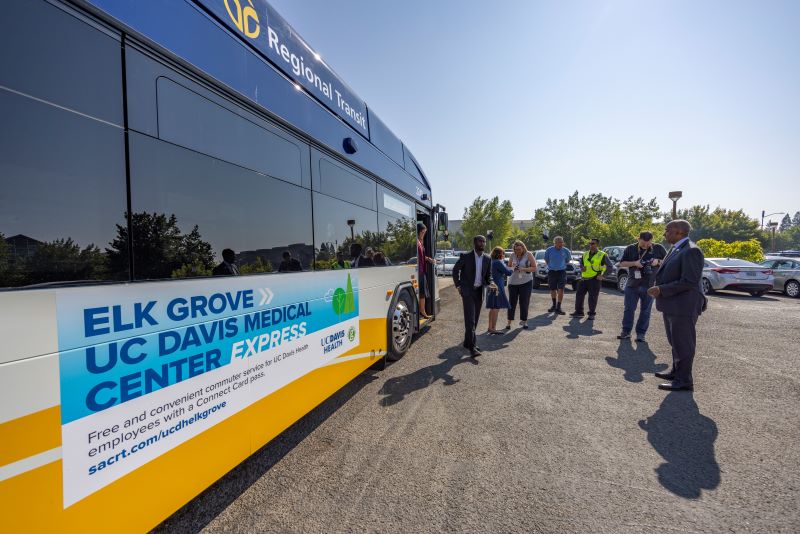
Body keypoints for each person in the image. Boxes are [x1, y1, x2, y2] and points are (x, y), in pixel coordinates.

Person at [648, 220, 707, 391]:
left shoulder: (691, 250)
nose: (664, 234)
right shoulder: (676, 248)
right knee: (675, 341)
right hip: (673, 304)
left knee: (683, 343)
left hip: (684, 305)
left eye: (667, 230)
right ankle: (676, 371)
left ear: (679, 232)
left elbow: (689, 281)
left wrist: (661, 289)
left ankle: (684, 380)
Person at [616, 231, 667, 342]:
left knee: (645, 311)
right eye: (643, 244)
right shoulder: (630, 248)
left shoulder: (658, 248)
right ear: (638, 239)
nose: (645, 246)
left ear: (652, 241)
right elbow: (621, 263)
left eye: (648, 244)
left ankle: (641, 334)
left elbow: (668, 262)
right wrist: (635, 263)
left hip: (650, 286)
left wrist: (658, 261)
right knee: (629, 309)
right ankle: (626, 332)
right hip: (632, 285)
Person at [452, 235, 491, 357]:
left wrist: (490, 283)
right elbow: (455, 270)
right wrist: (458, 286)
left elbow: (487, 275)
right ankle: (473, 347)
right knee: (470, 320)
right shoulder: (466, 256)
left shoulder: (487, 258)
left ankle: (467, 341)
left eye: (484, 241)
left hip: (479, 292)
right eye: (480, 241)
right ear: (474, 243)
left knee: (475, 319)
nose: (483, 243)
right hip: (468, 291)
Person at [570, 238, 612, 319]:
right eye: (590, 243)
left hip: (595, 279)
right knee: (579, 295)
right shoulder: (585, 254)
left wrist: (603, 276)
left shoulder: (602, 255)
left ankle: (591, 314)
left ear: (597, 245)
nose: (591, 245)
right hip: (584, 278)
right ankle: (579, 312)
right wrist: (582, 267)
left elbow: (610, 267)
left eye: (593, 243)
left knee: (592, 297)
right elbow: (581, 262)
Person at [506, 240, 536, 329]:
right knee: (512, 302)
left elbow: (534, 268)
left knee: (524, 302)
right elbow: (508, 267)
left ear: (523, 247)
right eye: (515, 249)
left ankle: (524, 321)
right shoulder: (512, 255)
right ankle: (509, 322)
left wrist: (523, 269)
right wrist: (513, 268)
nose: (517, 251)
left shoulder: (529, 254)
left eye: (519, 249)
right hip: (513, 282)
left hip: (526, 282)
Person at [486, 246, 514, 334]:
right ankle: (493, 328)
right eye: (503, 253)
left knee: (493, 307)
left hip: (492, 285)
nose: (503, 255)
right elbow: (508, 273)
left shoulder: (491, 261)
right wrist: (513, 268)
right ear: (500, 254)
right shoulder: (498, 262)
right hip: (498, 286)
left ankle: (490, 327)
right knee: (496, 308)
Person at [544, 236, 571, 315]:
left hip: (562, 272)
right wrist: (552, 266)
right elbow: (546, 259)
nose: (561, 244)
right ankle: (554, 305)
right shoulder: (549, 250)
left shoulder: (566, 251)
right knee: (553, 289)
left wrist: (561, 265)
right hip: (552, 271)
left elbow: (568, 260)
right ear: (555, 243)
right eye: (559, 242)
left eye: (562, 242)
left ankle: (559, 307)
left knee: (561, 289)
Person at [417, 222, 436, 319]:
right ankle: (422, 312)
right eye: (423, 232)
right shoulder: (417, 242)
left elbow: (422, 257)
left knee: (422, 293)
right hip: (419, 271)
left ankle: (422, 311)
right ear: (419, 232)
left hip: (421, 270)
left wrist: (429, 259)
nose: (424, 234)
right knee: (422, 293)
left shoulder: (420, 242)